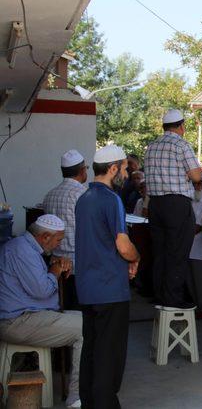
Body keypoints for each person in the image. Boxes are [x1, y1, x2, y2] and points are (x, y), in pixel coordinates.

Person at [75, 145, 140, 408]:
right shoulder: (111, 199)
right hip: (110, 288)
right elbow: (123, 245)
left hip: (87, 288)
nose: (126, 172)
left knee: (91, 350)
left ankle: (90, 402)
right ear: (113, 169)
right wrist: (136, 257)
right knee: (108, 354)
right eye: (124, 168)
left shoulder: (84, 199)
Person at [0, 214, 80, 408]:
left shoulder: (25, 246)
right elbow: (42, 290)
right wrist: (54, 270)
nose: (58, 245)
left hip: (26, 317)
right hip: (17, 321)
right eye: (57, 241)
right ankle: (77, 395)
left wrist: (55, 260)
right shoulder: (22, 251)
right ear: (45, 237)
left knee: (84, 318)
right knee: (88, 328)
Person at [145, 109, 202, 309]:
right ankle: (173, 298)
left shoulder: (151, 147)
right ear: (180, 126)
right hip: (176, 204)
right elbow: (196, 176)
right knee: (177, 251)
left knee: (160, 252)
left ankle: (160, 295)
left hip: (155, 204)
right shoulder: (181, 145)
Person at [43, 149, 88, 309]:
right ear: (82, 170)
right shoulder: (83, 194)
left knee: (62, 304)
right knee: (78, 310)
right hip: (77, 263)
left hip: (55, 261)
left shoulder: (50, 195)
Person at [187, 174, 202, 319]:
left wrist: (184, 234)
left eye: (200, 183)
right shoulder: (191, 198)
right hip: (188, 245)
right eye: (195, 183)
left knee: (201, 281)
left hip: (200, 246)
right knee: (191, 280)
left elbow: (201, 224)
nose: (198, 186)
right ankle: (198, 307)